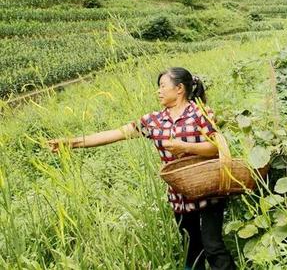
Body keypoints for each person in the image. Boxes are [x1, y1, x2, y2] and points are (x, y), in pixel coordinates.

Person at [47, 67, 236, 270]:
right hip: (180, 195)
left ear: (179, 88)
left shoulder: (200, 112)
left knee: (213, 246)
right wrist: (72, 143)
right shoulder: (153, 121)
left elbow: (217, 147)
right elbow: (115, 133)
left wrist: (185, 147)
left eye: (163, 86)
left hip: (209, 190)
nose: (159, 91)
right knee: (191, 250)